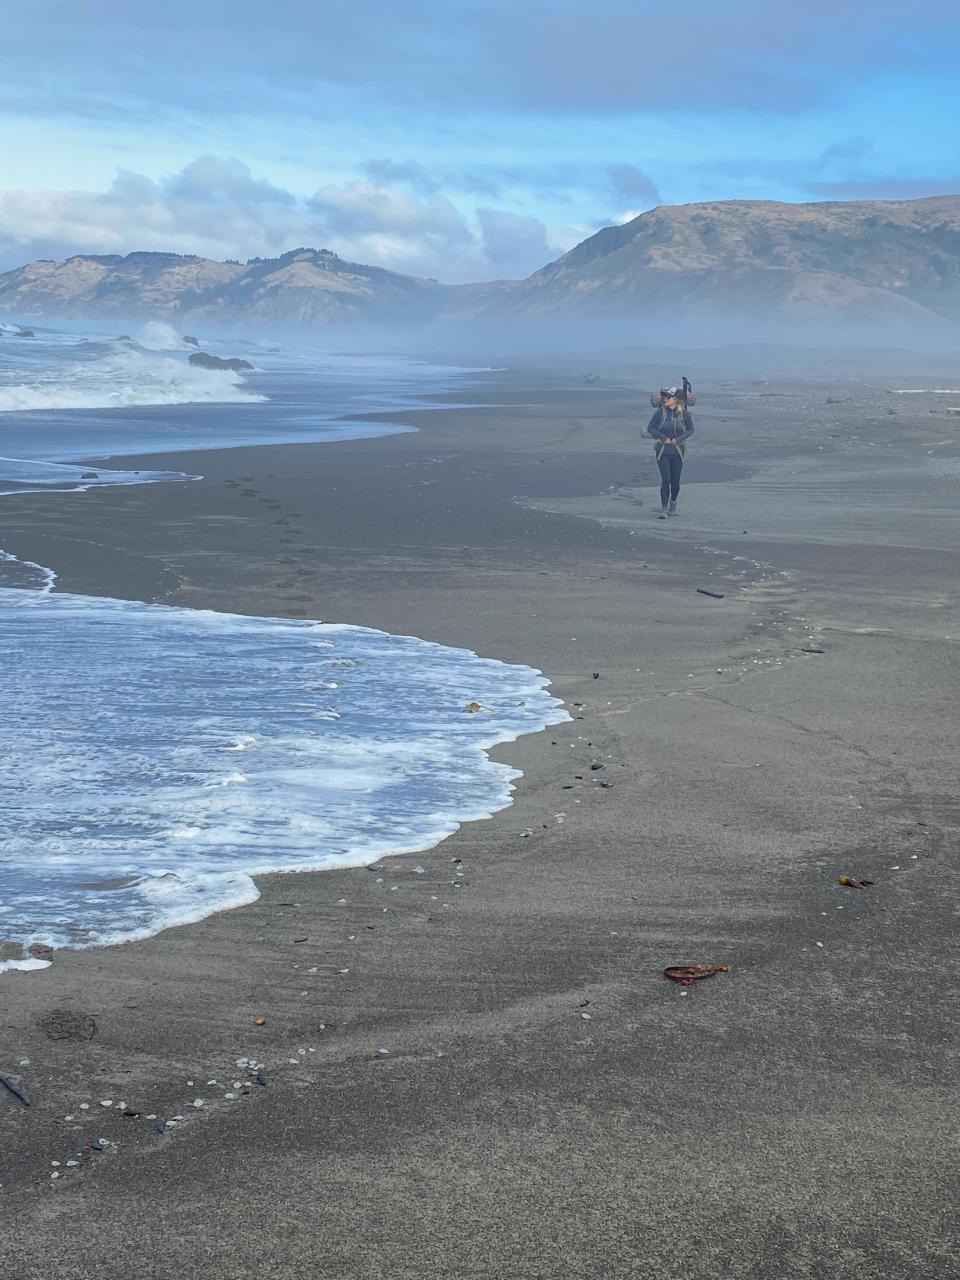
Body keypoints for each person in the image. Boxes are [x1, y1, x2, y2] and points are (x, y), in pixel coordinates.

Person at [647, 387, 694, 518]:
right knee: (666, 479)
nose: (665, 399)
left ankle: (673, 502)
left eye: (668, 397)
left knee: (675, 482)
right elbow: (650, 428)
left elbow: (690, 430)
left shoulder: (684, 414)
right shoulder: (660, 413)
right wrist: (664, 438)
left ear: (676, 399)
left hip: (678, 452)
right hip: (662, 451)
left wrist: (678, 440)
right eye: (665, 397)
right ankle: (664, 508)